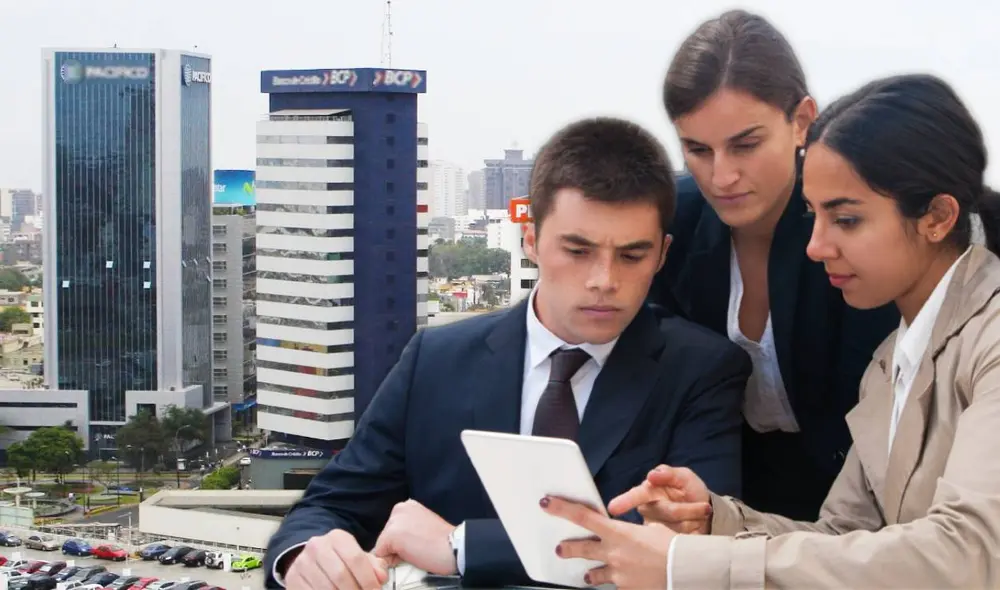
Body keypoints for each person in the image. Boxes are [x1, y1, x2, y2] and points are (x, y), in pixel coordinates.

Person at [542, 73, 1000, 589]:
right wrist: (714, 522)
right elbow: (842, 536)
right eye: (813, 215)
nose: (816, 245)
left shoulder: (989, 342)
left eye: (846, 220)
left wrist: (684, 565)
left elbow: (968, 553)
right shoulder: (892, 359)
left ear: (937, 217)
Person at [263, 117, 753, 589]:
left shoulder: (702, 370)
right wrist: (305, 556)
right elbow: (332, 505)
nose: (604, 280)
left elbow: (687, 552)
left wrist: (463, 545)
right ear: (531, 240)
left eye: (631, 255)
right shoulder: (435, 359)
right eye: (578, 251)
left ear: (662, 254)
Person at [648, 9, 900, 520]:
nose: (721, 176)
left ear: (802, 121)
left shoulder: (860, 220)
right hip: (719, 490)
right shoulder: (671, 223)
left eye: (746, 144)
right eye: (697, 149)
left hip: (868, 497)